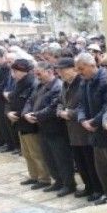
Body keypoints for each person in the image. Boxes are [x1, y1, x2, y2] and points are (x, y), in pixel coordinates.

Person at [24, 61, 77, 197]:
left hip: (56, 129)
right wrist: (26, 113)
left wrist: (35, 115)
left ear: (49, 71)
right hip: (43, 128)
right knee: (49, 157)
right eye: (36, 74)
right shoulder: (39, 86)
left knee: (61, 158)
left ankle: (68, 184)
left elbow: (53, 107)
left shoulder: (57, 87)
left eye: (39, 73)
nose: (37, 77)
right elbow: (30, 101)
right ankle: (58, 181)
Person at [55, 57, 102, 201]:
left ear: (72, 69)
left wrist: (70, 113)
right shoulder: (65, 84)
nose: (60, 73)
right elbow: (60, 102)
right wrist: (60, 111)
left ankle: (96, 188)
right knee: (80, 162)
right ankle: (88, 186)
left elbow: (84, 106)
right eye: (58, 70)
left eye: (62, 70)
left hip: (84, 128)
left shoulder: (82, 82)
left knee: (90, 162)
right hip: (72, 130)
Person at [76, 52, 107, 205]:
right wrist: (82, 120)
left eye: (81, 69)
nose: (79, 73)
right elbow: (80, 103)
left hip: (105, 129)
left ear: (92, 65)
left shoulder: (105, 79)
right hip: (92, 130)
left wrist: (94, 121)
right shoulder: (84, 81)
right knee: (101, 166)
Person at [6, 59, 50, 190]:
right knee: (27, 153)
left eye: (16, 71)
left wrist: (19, 114)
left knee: (36, 152)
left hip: (29, 123)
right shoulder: (18, 83)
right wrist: (8, 112)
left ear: (23, 71)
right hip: (20, 122)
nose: (13, 73)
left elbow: (30, 103)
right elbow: (11, 99)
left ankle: (44, 177)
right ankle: (34, 175)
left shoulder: (32, 83)